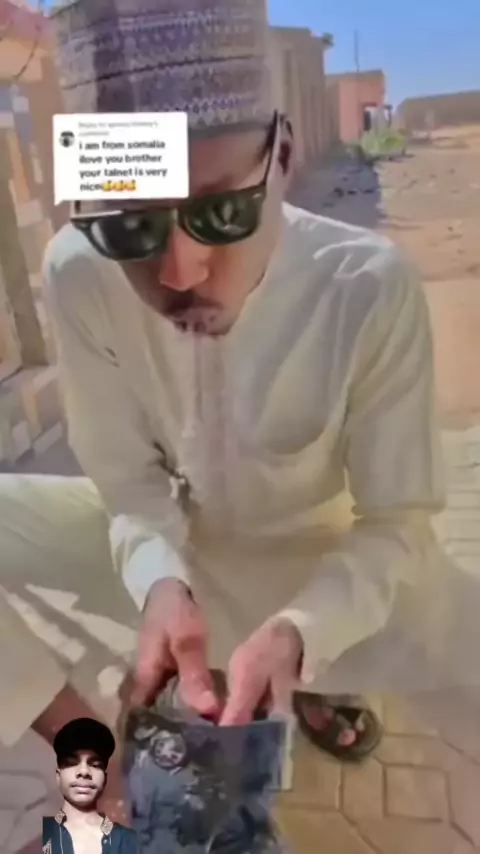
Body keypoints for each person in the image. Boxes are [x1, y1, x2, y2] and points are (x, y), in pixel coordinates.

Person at [1, 0, 479, 815]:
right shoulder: (78, 271)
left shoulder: (367, 287)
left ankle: (306, 671)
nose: (180, 270)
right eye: (131, 225)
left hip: (319, 559)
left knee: (398, 631)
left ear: (282, 158)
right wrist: (159, 581)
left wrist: (303, 629)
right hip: (178, 544)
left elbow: (396, 523)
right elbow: (128, 483)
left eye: (221, 212)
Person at [42, 717, 139, 853]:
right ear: (58, 775)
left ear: (105, 778)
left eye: (95, 765)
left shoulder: (130, 841)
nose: (84, 771)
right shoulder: (44, 839)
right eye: (72, 763)